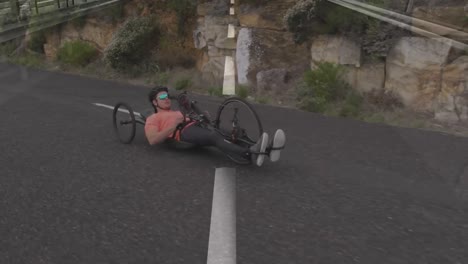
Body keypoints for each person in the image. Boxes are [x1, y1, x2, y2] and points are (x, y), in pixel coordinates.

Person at [144, 86, 286, 167]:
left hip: (197, 124)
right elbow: (152, 139)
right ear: (155, 102)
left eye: (167, 96)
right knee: (213, 136)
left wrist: (203, 115)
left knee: (234, 133)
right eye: (162, 97)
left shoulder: (176, 111)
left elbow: (195, 113)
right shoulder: (153, 118)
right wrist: (172, 126)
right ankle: (250, 152)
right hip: (183, 131)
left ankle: (267, 149)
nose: (167, 98)